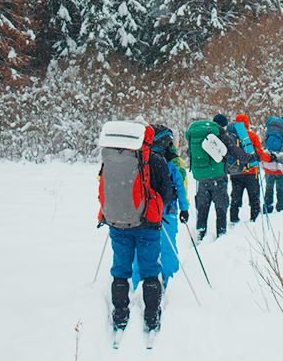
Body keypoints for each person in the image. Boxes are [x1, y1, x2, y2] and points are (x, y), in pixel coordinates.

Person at [98, 121, 175, 334]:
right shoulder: (156, 160)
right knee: (150, 270)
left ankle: (120, 316)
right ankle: (152, 317)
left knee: (121, 271)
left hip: (117, 223)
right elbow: (167, 196)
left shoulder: (111, 158)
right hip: (148, 225)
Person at [132, 124, 188, 289]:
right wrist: (184, 209)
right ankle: (171, 281)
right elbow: (181, 188)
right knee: (168, 247)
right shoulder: (172, 165)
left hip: (144, 212)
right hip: (167, 212)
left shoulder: (139, 162)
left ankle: (137, 282)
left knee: (140, 247)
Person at [187, 113, 260, 240]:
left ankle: (200, 234)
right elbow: (238, 153)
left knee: (202, 209)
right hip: (218, 179)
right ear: (224, 126)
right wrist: (253, 158)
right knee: (221, 208)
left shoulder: (203, 135)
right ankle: (221, 236)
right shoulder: (222, 135)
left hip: (202, 179)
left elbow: (190, 153)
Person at [228, 114, 273, 223]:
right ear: (248, 124)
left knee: (235, 197)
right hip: (251, 172)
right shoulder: (252, 136)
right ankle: (254, 218)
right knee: (254, 197)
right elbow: (259, 154)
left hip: (236, 172)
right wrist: (270, 158)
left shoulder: (231, 137)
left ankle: (233, 219)